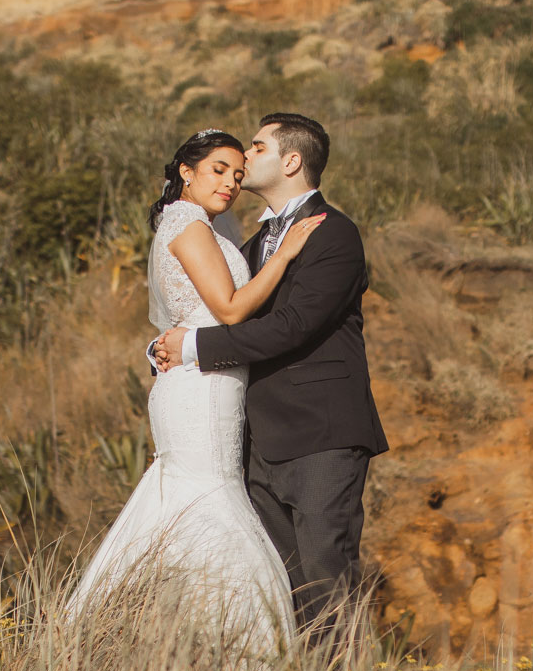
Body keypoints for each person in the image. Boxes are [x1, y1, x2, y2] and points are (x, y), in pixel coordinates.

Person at [67, 128, 326, 649]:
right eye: (217, 170)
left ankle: (173, 635)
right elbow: (230, 310)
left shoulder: (203, 227)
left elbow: (194, 314)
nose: (230, 183)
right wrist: (284, 255)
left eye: (237, 174)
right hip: (201, 391)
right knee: (208, 501)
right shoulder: (186, 224)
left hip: (211, 380)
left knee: (195, 500)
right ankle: (241, 646)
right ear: (186, 172)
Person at [153, 113, 387, 638]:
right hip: (257, 436)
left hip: (321, 433)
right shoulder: (256, 243)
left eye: (256, 148)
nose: (243, 162)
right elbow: (220, 307)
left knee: (328, 576)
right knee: (283, 585)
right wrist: (167, 346)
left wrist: (193, 346)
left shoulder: (335, 234)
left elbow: (294, 326)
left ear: (290, 161)